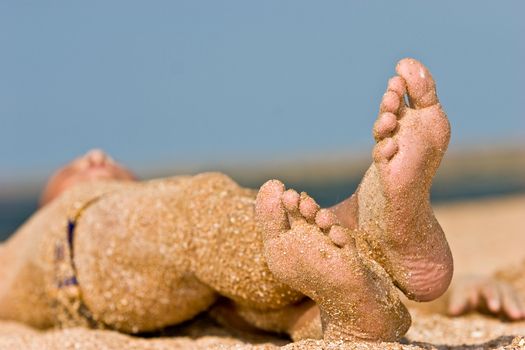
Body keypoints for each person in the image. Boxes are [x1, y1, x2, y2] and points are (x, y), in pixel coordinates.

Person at [0, 58, 453, 342]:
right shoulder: (52, 226)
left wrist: (473, 291)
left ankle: (355, 318)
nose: (96, 156)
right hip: (83, 258)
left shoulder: (165, 260)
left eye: (115, 166)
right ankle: (363, 218)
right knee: (200, 215)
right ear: (47, 202)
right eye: (75, 166)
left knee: (281, 304)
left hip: (179, 297)